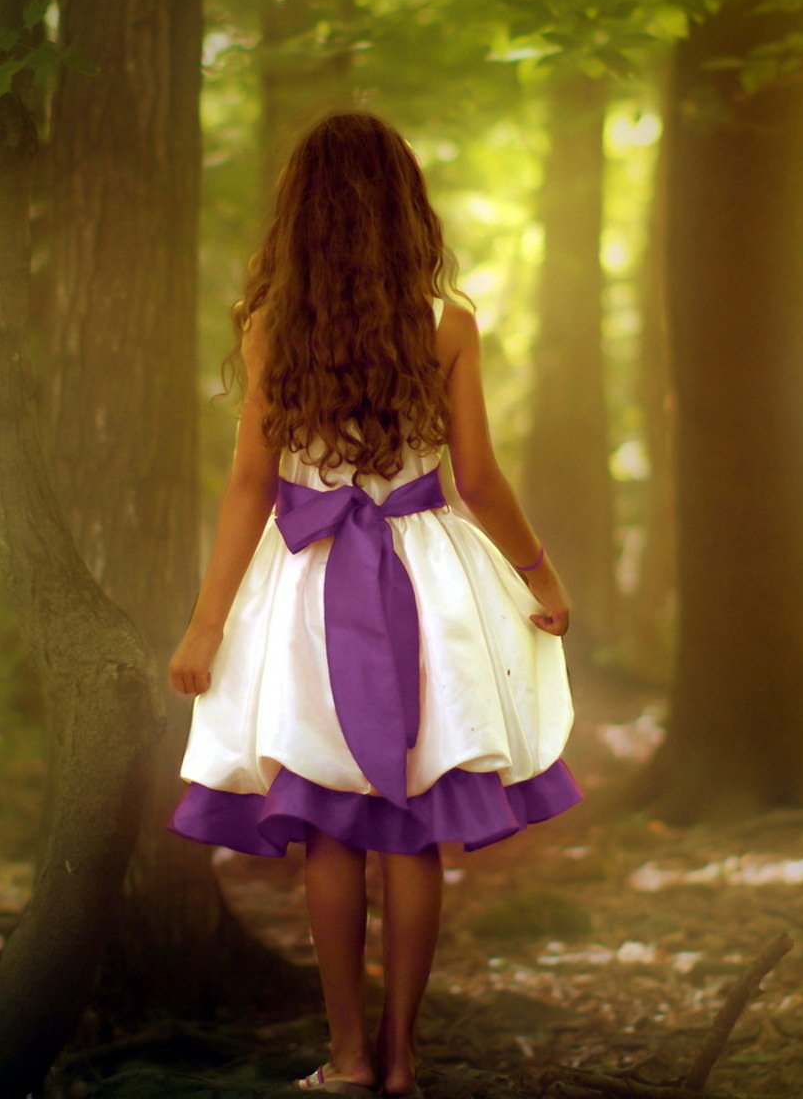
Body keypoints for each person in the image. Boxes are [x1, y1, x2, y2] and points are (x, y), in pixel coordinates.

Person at [165, 110, 584, 1098]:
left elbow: (250, 486)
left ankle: (347, 1058)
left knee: (329, 824)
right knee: (415, 819)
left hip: (308, 588)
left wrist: (208, 620)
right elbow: (476, 479)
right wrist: (537, 573)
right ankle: (404, 1060)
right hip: (429, 585)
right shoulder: (447, 323)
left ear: (300, 214)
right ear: (406, 208)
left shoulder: (272, 325)